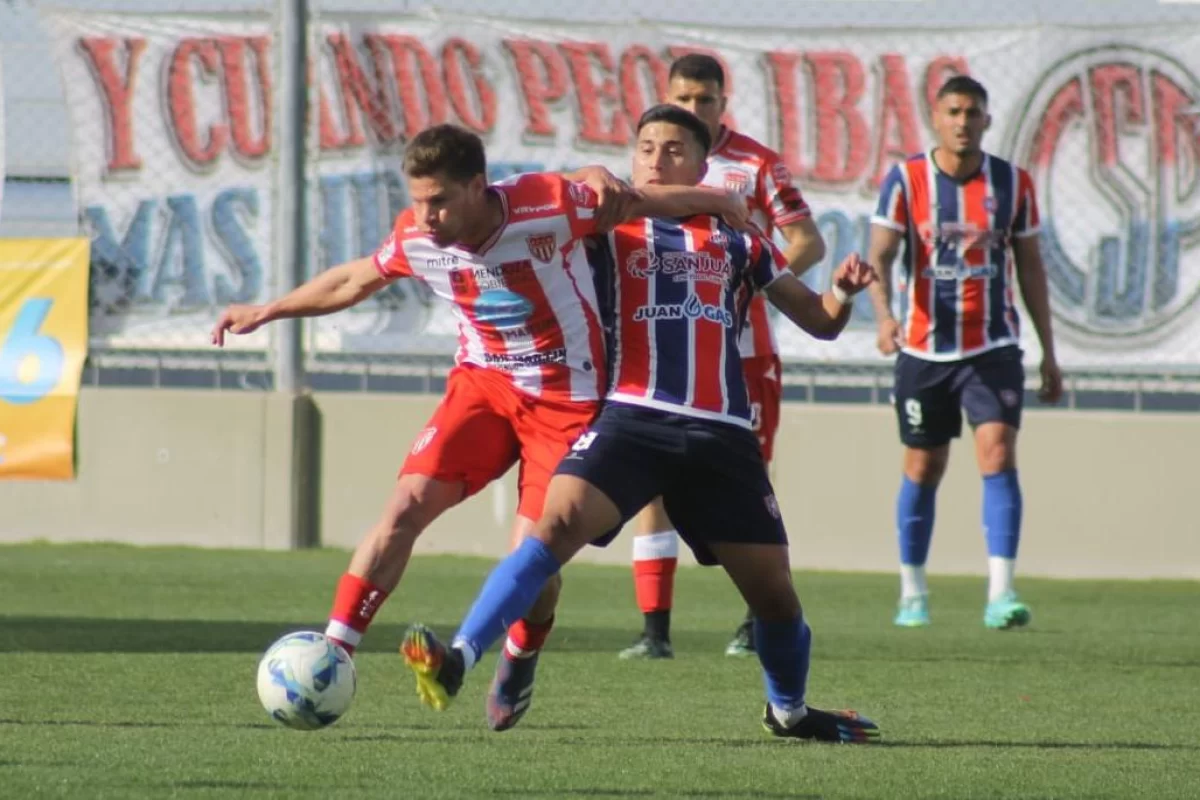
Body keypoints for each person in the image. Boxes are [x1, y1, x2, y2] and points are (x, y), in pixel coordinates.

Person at [209, 123, 748, 730]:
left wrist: (720, 201)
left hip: (567, 399)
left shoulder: (545, 206)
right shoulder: (417, 235)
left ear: (476, 187)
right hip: (484, 388)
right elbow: (355, 278)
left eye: (439, 200)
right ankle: (336, 649)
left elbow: (636, 200)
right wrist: (268, 309)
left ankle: (521, 653)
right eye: (417, 200)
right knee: (407, 504)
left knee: (533, 556)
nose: (426, 215)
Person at [399, 105, 882, 743]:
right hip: (631, 418)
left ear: (703, 162)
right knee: (550, 530)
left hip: (720, 434)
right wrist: (602, 173)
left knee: (775, 597)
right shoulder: (607, 228)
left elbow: (819, 321)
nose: (656, 158)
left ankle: (788, 711)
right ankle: (460, 658)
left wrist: (844, 292)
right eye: (646, 146)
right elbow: (570, 186)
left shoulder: (742, 239)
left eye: (674, 148)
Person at [620, 53, 827, 661]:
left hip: (744, 350)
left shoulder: (756, 165)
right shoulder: (652, 164)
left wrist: (755, 278)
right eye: (682, 100)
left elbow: (806, 240)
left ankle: (753, 621)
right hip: (662, 345)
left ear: (722, 104)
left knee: (748, 480)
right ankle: (654, 630)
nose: (692, 112)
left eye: (704, 101)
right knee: (651, 482)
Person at [865, 75, 1062, 630]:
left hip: (992, 346)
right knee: (924, 464)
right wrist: (883, 320)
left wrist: (1049, 351)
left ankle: (1001, 592)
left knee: (997, 451)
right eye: (953, 111)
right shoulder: (905, 179)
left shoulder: (1013, 183)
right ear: (936, 117)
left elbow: (1030, 267)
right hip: (924, 350)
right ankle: (913, 591)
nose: (963, 122)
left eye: (973, 112)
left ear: (987, 120)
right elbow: (879, 256)